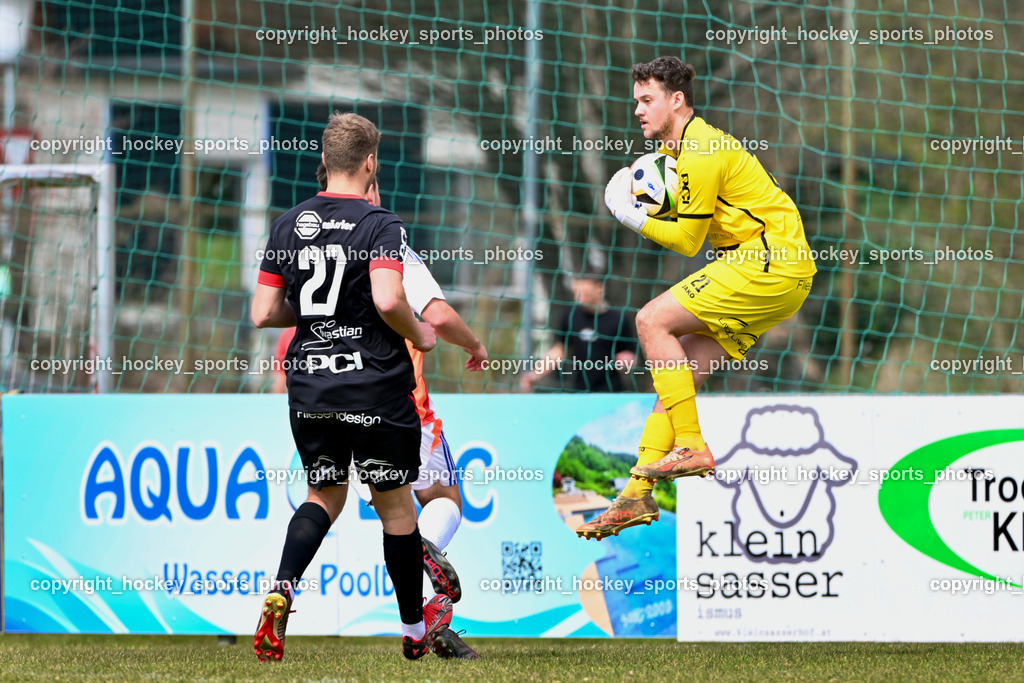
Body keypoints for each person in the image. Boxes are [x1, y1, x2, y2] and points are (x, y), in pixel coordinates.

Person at [576, 57, 816, 540]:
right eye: (636, 101)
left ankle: (690, 445)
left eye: (647, 100)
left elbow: (688, 241)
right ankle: (635, 495)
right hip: (773, 269)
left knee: (649, 322)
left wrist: (630, 214)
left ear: (676, 100)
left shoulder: (701, 150)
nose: (638, 110)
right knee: (675, 377)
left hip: (768, 261)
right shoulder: (685, 154)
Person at [250, 111, 451, 662]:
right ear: (370, 162)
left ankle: (283, 589)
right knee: (396, 512)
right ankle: (414, 632)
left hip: (311, 386)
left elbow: (263, 312)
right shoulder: (380, 222)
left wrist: (319, 313)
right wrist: (422, 333)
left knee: (324, 496)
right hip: (375, 391)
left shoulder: (288, 222)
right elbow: (388, 297)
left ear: (324, 163)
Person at [322, 164, 485, 659]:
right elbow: (434, 313)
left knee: (367, 509)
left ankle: (421, 625)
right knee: (445, 500)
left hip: (334, 404)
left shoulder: (318, 245)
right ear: (370, 186)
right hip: (401, 406)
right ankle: (426, 561)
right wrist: (474, 345)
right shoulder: (388, 240)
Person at [519, 267, 637, 393]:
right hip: (580, 391)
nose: (579, 299)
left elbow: (631, 355)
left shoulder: (619, 319)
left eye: (585, 294)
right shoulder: (571, 315)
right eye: (576, 293)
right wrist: (535, 374)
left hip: (612, 391)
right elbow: (560, 350)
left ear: (599, 288)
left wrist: (627, 362)